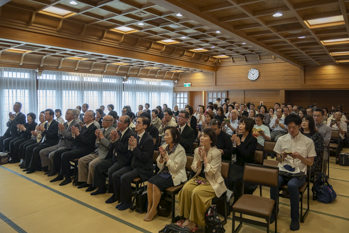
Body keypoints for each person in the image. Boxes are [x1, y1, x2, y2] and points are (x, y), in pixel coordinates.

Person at [270, 114, 316, 231]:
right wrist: (281, 156)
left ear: (300, 126)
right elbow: (278, 159)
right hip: (283, 170)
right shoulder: (281, 139)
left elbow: (310, 163)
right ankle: (274, 211)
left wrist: (300, 157)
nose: (291, 130)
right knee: (273, 183)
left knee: (291, 185)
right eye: (289, 127)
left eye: (294, 127)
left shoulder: (308, 141)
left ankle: (294, 218)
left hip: (299, 172)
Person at [177, 128, 227, 231]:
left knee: (196, 192)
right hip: (200, 177)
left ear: (211, 140)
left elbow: (211, 172)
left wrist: (205, 158)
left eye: (205, 136)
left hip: (213, 180)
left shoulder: (216, 153)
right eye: (202, 135)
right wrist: (200, 159)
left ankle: (195, 221)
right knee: (186, 189)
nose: (201, 137)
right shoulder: (197, 150)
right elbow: (194, 168)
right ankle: (187, 217)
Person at [144, 127, 187, 221]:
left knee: (156, 185)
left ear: (175, 136)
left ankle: (153, 209)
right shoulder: (164, 146)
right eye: (165, 135)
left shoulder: (180, 150)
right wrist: (161, 158)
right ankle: (149, 207)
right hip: (164, 173)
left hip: (175, 175)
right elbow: (159, 165)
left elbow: (175, 168)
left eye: (167, 135)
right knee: (150, 182)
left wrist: (166, 157)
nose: (165, 137)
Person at [111, 116, 154, 211]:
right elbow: (130, 153)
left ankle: (127, 202)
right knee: (115, 175)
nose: (136, 124)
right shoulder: (135, 136)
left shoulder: (148, 139)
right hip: (133, 164)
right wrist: (130, 147)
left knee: (124, 177)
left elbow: (144, 158)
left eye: (138, 123)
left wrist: (134, 147)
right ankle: (118, 197)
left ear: (145, 126)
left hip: (143, 168)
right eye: (136, 122)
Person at [50, 110, 97, 186]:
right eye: (84, 116)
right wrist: (75, 135)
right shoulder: (85, 127)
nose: (83, 117)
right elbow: (78, 139)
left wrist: (78, 134)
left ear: (91, 117)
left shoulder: (94, 128)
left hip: (85, 149)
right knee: (57, 153)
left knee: (65, 155)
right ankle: (60, 174)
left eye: (85, 116)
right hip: (77, 147)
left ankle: (67, 177)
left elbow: (88, 142)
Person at [92, 115, 134, 195]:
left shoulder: (130, 134)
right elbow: (111, 146)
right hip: (114, 157)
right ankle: (101, 188)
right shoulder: (118, 132)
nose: (118, 122)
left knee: (111, 171)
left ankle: (113, 193)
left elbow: (125, 150)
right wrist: (113, 140)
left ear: (126, 124)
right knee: (98, 166)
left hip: (123, 159)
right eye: (118, 120)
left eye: (120, 121)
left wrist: (116, 140)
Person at [77, 115, 114, 189]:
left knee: (92, 164)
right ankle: (84, 181)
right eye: (103, 119)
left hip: (105, 154)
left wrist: (102, 138)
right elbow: (96, 144)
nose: (103, 121)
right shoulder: (101, 129)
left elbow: (110, 146)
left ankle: (92, 184)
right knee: (81, 160)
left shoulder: (113, 131)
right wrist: (97, 138)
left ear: (111, 122)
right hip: (97, 151)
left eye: (105, 120)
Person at [42, 109, 79, 176]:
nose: (65, 115)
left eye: (67, 114)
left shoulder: (76, 125)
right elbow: (59, 135)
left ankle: (57, 171)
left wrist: (63, 131)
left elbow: (71, 136)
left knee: (52, 155)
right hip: (60, 143)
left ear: (73, 116)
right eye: (65, 113)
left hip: (68, 145)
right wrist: (61, 131)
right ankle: (50, 169)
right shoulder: (65, 123)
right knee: (43, 151)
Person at [228, 118, 257, 202]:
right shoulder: (239, 136)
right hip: (238, 164)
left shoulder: (253, 140)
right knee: (226, 174)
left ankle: (237, 200)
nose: (240, 126)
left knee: (236, 179)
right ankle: (227, 198)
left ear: (248, 127)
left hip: (247, 166)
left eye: (243, 124)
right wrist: (233, 143)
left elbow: (247, 156)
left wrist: (239, 144)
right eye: (240, 124)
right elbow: (233, 152)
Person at [23, 109, 59, 174]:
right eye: (44, 114)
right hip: (44, 142)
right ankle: (28, 165)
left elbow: (53, 135)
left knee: (36, 149)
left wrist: (44, 131)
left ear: (51, 116)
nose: (45, 116)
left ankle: (33, 168)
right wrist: (40, 131)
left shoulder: (55, 124)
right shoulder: (46, 124)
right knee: (29, 148)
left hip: (51, 143)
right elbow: (43, 135)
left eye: (46, 114)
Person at [300, 115, 324, 184]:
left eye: (306, 121)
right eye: (302, 121)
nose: (303, 123)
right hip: (299, 156)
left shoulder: (316, 135)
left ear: (311, 123)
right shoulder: (298, 134)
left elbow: (319, 149)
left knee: (302, 167)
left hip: (312, 158)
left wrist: (306, 154)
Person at [313, 108, 331, 175]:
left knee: (324, 159)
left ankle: (322, 176)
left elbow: (326, 142)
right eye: (314, 115)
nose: (316, 117)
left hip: (323, 148)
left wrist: (318, 133)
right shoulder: (310, 126)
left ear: (323, 116)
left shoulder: (327, 128)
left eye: (318, 116)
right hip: (311, 147)